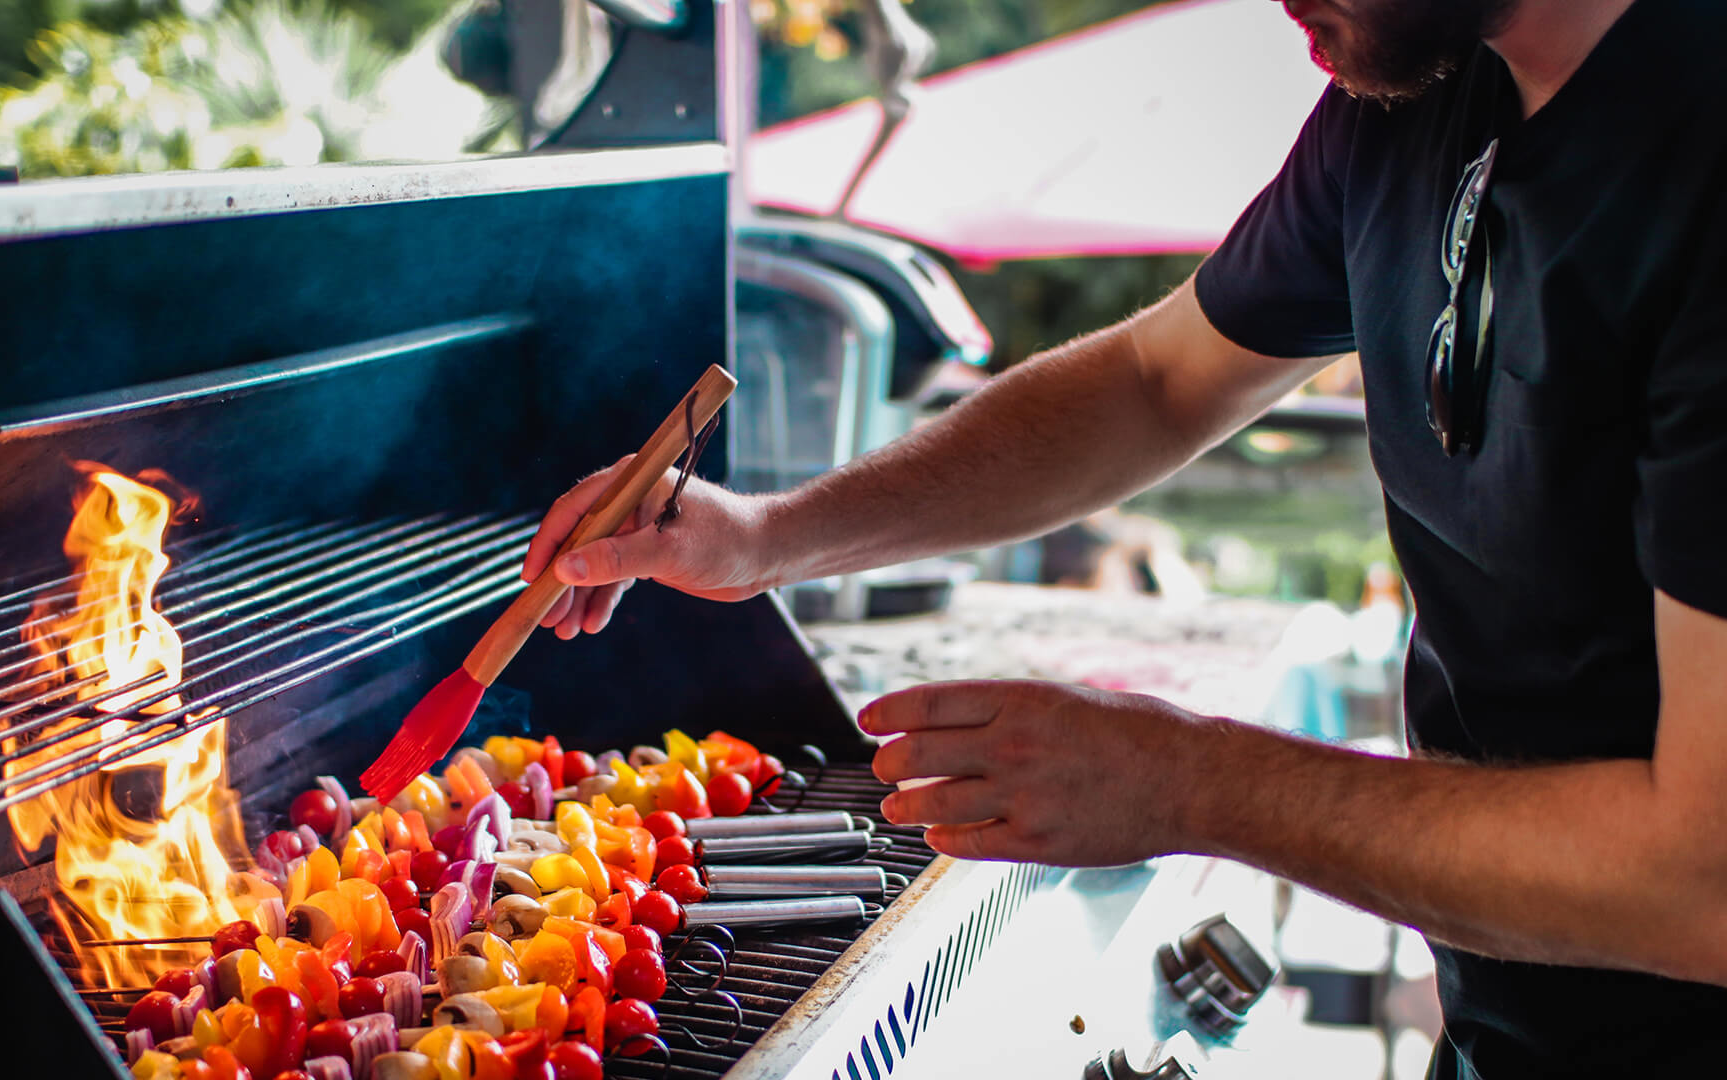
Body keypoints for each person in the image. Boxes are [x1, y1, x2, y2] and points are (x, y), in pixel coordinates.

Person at [521, 0, 1727, 1075]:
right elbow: (1157, 379)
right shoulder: (1417, 88)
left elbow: (1702, 881)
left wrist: (1189, 780)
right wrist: (769, 538)